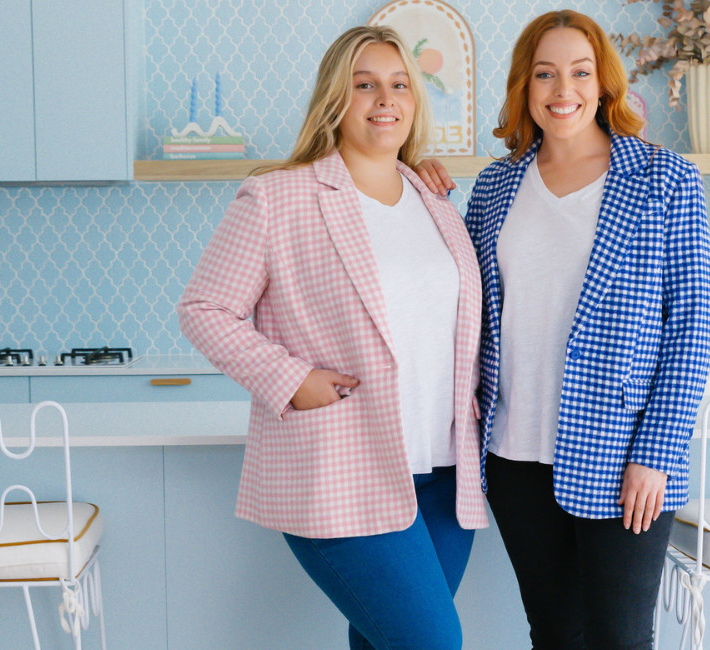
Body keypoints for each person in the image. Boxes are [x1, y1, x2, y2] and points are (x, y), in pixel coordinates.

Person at [176, 25, 486, 650]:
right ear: (334, 100)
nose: (385, 99)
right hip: (344, 470)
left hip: (445, 475)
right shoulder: (278, 197)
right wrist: (292, 379)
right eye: (364, 85)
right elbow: (204, 308)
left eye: (399, 84)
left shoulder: (436, 201)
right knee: (432, 643)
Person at [416, 10, 710, 649]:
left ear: (604, 84)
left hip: (623, 452)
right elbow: (455, 294)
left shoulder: (665, 178)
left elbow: (692, 327)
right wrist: (416, 181)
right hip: (516, 453)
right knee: (554, 634)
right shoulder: (496, 186)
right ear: (525, 87)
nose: (563, 90)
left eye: (580, 73)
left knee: (621, 637)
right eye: (545, 74)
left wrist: (656, 454)